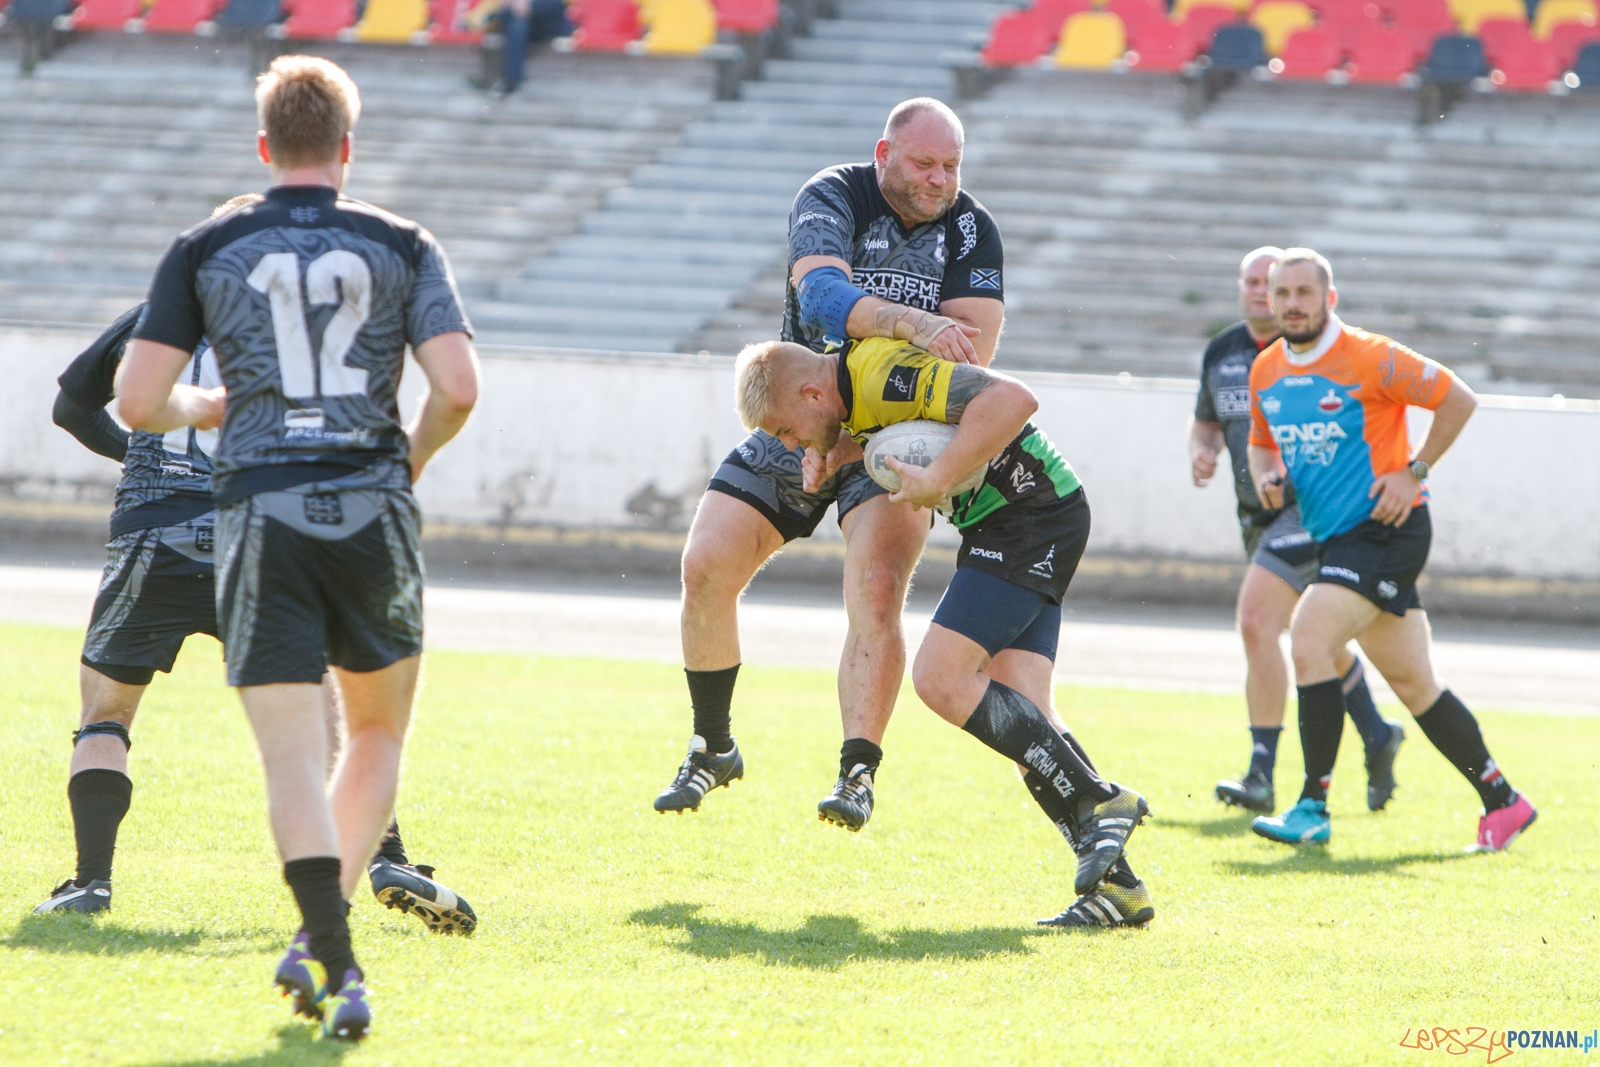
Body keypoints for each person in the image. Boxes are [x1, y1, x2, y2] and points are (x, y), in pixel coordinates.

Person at [115, 56, 480, 1039]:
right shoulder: (401, 241)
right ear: (348, 151)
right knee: (374, 736)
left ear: (265, 147)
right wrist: (404, 459)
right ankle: (329, 945)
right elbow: (458, 386)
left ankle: (332, 946)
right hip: (371, 503)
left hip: (258, 506)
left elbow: (138, 401)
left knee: (288, 753)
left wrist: (206, 403)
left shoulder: (208, 244)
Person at [37, 281, 476, 940]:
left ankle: (90, 879)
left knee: (105, 713)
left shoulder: (161, 313)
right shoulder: (302, 329)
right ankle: (385, 860)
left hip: (156, 531)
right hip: (261, 536)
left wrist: (138, 453)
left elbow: (71, 406)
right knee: (316, 708)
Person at [655, 97, 1006, 833]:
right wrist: (910, 321)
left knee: (877, 586)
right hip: (804, 410)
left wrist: (853, 445)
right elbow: (818, 300)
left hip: (889, 432)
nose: (940, 180)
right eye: (924, 163)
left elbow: (974, 352)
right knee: (705, 564)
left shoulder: (971, 228)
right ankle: (712, 742)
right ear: (885, 155)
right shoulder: (833, 193)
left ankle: (856, 772)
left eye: (951, 166)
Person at [732, 336, 1154, 928]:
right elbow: (910, 427)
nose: (789, 444)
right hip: (1019, 522)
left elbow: (1012, 399)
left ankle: (1098, 800)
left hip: (1030, 518)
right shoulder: (852, 392)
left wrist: (940, 478)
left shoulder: (877, 374)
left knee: (939, 678)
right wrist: (839, 455)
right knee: (1024, 713)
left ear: (810, 393)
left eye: (785, 431)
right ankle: (1120, 891)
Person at [1245, 249, 1536, 851]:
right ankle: (1504, 802)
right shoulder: (1267, 370)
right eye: (1282, 293)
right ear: (1270, 301)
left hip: (1389, 529)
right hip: (1340, 541)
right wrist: (1268, 475)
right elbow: (1261, 445)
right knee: (1413, 682)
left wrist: (1414, 469)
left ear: (1330, 298)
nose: (1292, 303)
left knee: (1309, 638)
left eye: (1305, 291)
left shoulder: (1371, 356)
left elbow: (1459, 399)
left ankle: (1312, 805)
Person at [1190, 247, 1402, 815]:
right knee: (1316, 640)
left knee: (1258, 622)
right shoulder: (1224, 352)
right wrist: (1202, 454)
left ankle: (1262, 771)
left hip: (1307, 510)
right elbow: (1206, 425)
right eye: (1254, 282)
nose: (1264, 292)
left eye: (1274, 283)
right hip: (1254, 518)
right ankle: (1377, 732)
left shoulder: (1302, 353)